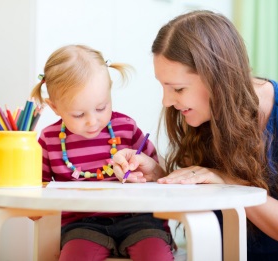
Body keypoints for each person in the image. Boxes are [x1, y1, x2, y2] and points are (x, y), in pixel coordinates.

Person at [112, 10, 278, 260]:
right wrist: (159, 175)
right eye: (164, 87)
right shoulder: (201, 112)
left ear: (217, 79)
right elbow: (207, 183)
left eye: (178, 88)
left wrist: (228, 183)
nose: (167, 101)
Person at [30, 44, 175, 261]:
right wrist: (35, 207)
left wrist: (145, 172)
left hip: (140, 220)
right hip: (81, 227)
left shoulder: (126, 128)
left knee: (156, 256)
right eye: (78, 114)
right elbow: (36, 190)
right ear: (55, 107)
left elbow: (161, 177)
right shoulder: (49, 141)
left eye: (101, 107)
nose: (92, 121)